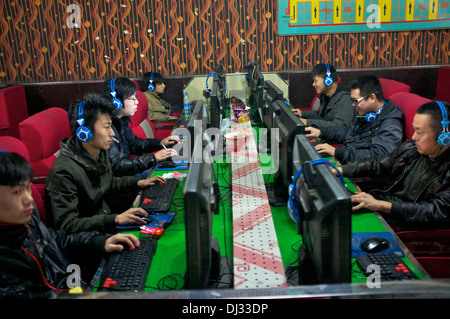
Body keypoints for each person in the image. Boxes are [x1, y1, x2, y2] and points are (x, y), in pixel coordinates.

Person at [0, 151, 141, 298]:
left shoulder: (26, 221)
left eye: (28, 188)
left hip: (72, 286)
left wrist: (99, 242)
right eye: (17, 192)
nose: (29, 199)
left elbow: (57, 241)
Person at [45, 93, 166, 234]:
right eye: (106, 127)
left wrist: (138, 183)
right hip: (88, 239)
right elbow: (67, 224)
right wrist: (115, 219)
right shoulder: (63, 172)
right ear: (84, 132)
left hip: (104, 224)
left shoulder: (98, 152)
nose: (112, 133)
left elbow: (107, 183)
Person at [338, 101, 450, 228]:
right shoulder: (411, 149)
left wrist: (381, 205)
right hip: (386, 207)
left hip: (407, 223)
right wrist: (340, 170)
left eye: (420, 132)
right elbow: (377, 164)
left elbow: (438, 211)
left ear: (443, 136)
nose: (413, 137)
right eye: (414, 130)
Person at [305, 75, 405, 164]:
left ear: (372, 98)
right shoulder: (366, 111)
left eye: (355, 101)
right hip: (346, 157)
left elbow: (378, 156)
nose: (353, 105)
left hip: (358, 170)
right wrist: (321, 132)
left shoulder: (391, 122)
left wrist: (336, 152)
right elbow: (347, 132)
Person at [102, 77, 180, 179]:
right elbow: (117, 166)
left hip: (127, 171)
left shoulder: (121, 120)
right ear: (116, 102)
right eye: (132, 99)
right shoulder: (106, 128)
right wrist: (154, 158)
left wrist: (161, 143)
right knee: (167, 175)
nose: (137, 102)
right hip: (119, 179)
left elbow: (134, 144)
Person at [291, 63, 355, 131]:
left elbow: (339, 126)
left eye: (316, 81)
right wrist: (302, 113)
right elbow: (323, 117)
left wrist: (308, 122)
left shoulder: (345, 98)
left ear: (328, 81)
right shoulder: (325, 95)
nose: (313, 84)